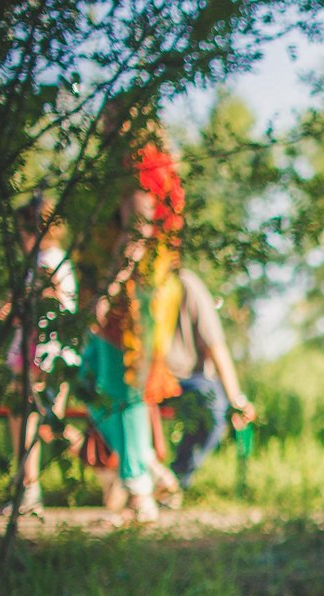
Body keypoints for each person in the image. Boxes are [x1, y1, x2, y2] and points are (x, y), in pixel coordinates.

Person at [78, 106, 186, 524]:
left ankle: (140, 486)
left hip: (134, 294)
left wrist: (107, 289)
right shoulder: (125, 167)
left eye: (112, 119)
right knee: (92, 382)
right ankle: (147, 470)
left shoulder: (142, 167)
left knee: (124, 388)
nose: (104, 125)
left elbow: (137, 228)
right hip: (130, 291)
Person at [0, 195, 78, 517]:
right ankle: (28, 486)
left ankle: (29, 487)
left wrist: (16, 306)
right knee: (37, 420)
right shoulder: (45, 261)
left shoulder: (49, 261)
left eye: (22, 230)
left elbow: (48, 302)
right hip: (40, 352)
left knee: (36, 419)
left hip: (42, 353)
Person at [162, 269, 256, 492]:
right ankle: (142, 481)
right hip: (142, 376)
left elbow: (216, 345)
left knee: (214, 407)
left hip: (188, 378)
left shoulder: (187, 285)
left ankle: (174, 483)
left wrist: (236, 399)